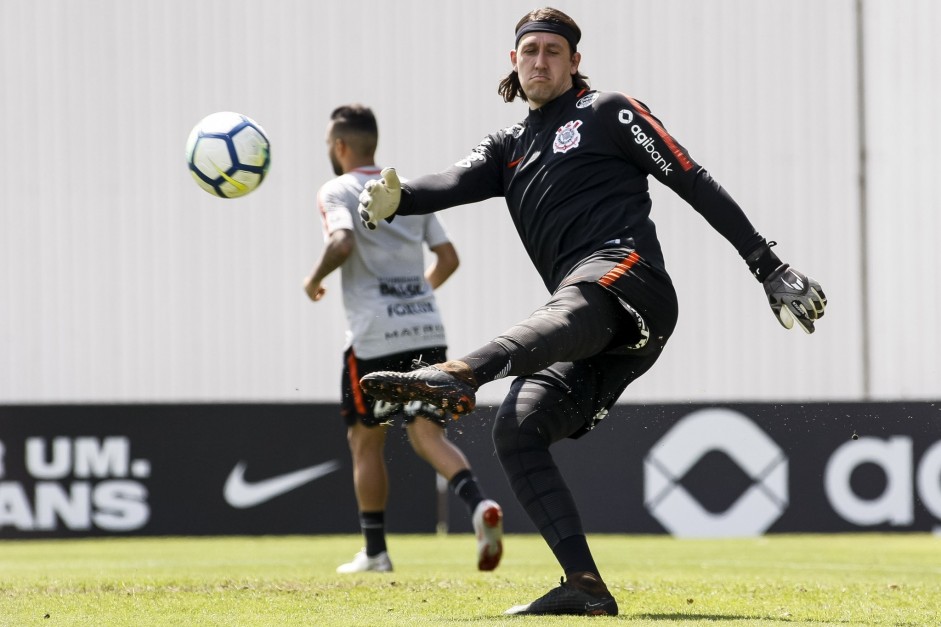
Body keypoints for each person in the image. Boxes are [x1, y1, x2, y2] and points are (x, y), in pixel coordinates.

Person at [356, 8, 827, 616]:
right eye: (531, 51)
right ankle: (585, 585)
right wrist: (399, 198)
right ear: (514, 61)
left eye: (555, 51)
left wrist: (768, 266)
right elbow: (449, 180)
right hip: (592, 328)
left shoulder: (608, 112)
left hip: (632, 281)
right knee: (517, 429)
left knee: (574, 297)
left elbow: (691, 177)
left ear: (575, 62)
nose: (541, 60)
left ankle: (460, 373)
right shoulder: (510, 147)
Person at [303, 104, 504, 574]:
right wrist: (413, 296)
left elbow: (342, 243)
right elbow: (449, 258)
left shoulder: (337, 190)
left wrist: (314, 279)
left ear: (339, 146)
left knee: (365, 442)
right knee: (427, 433)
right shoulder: (404, 192)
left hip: (373, 337)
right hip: (425, 327)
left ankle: (375, 553)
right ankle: (478, 507)